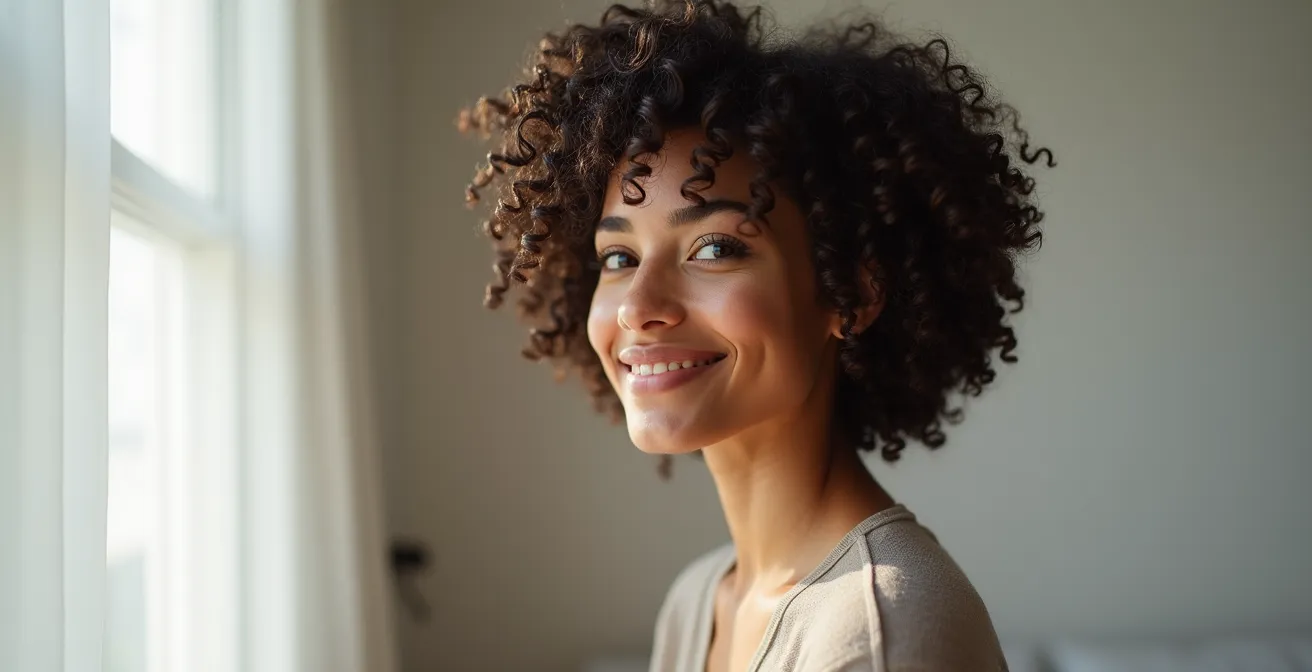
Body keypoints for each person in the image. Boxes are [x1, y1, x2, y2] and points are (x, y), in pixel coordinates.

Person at [456, 1, 1054, 669]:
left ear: (850, 295)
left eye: (713, 248)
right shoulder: (699, 601)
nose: (637, 307)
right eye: (619, 259)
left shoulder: (879, 630)